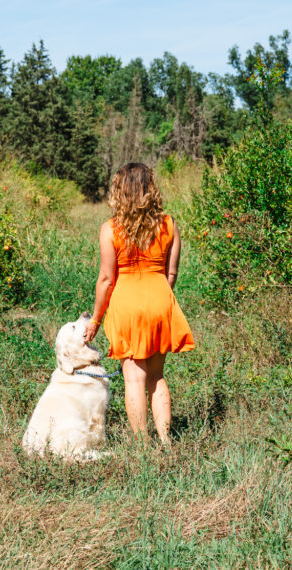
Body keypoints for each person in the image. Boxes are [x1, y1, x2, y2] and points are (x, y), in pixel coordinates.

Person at [84, 162, 194, 443]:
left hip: (127, 304)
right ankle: (167, 441)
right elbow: (171, 272)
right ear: (151, 189)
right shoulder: (168, 224)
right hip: (160, 300)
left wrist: (95, 320)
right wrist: (158, 298)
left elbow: (107, 280)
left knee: (134, 378)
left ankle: (143, 447)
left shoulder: (111, 229)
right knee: (157, 376)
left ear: (119, 191)